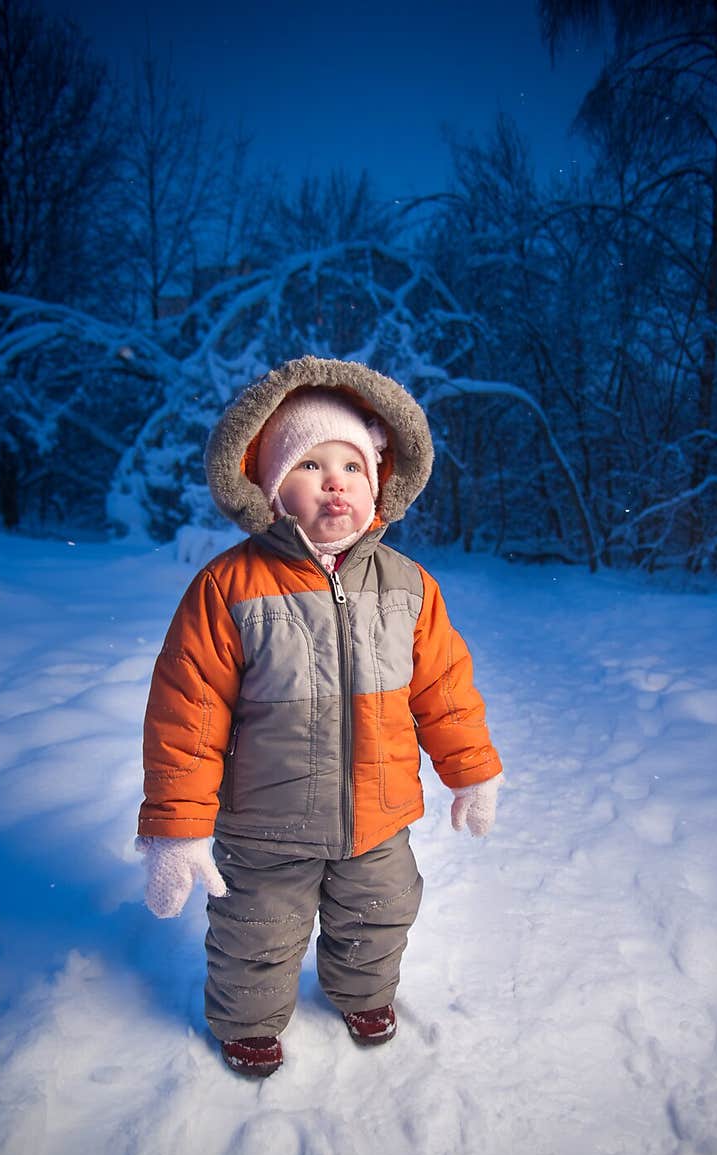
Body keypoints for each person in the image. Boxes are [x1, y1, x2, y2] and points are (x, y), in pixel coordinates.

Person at [136, 356, 503, 1078]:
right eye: (308, 464)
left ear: (378, 486)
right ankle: (247, 1020)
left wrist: (473, 772)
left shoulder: (409, 588)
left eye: (351, 465)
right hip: (264, 823)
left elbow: (446, 691)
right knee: (256, 931)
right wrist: (178, 827)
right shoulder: (228, 587)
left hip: (378, 815)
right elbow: (188, 714)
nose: (335, 480)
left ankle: (362, 993)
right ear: (270, 493)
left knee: (383, 914)